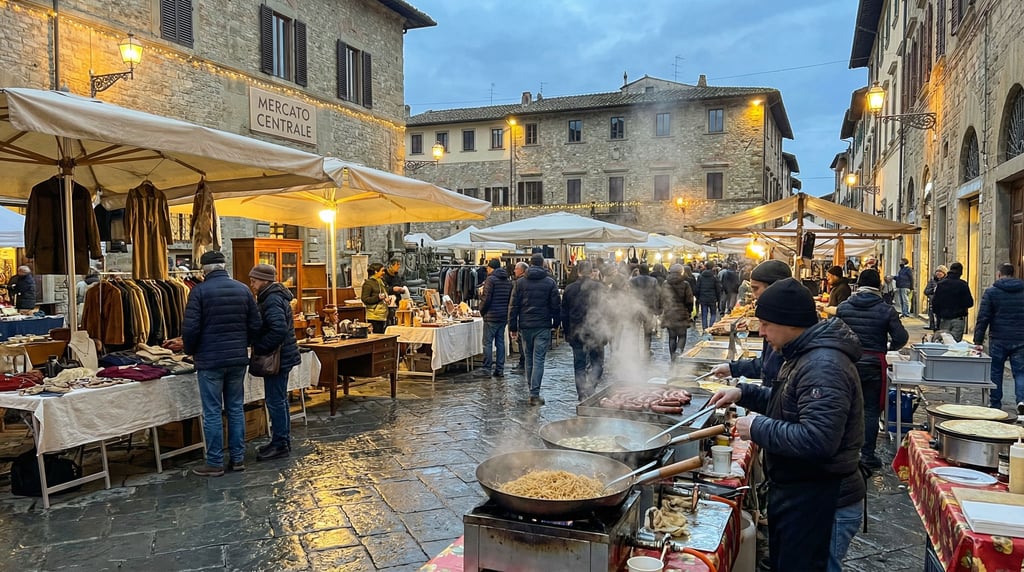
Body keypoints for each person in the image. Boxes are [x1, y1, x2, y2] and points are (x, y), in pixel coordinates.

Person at [708, 278, 864, 571]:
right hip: (802, 492)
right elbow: (789, 404)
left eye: (766, 324)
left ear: (790, 322)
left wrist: (756, 428)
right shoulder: (804, 354)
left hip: (823, 499)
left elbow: (818, 439)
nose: (762, 332)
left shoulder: (824, 365)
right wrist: (745, 392)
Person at [181, 250, 261, 477]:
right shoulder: (243, 289)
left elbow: (191, 328)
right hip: (237, 358)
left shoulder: (199, 292)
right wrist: (242, 343)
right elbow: (255, 324)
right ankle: (237, 459)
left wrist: (190, 350)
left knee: (213, 411)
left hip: (210, 360)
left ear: (203, 270)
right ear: (224, 266)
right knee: (235, 408)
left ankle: (215, 462)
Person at [836, 269, 909, 469]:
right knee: (870, 410)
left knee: (845, 406)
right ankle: (867, 454)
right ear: (878, 286)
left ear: (858, 285)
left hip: (847, 363)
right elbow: (901, 338)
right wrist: (889, 347)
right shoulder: (887, 310)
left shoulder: (843, 308)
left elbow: (834, 333)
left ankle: (842, 450)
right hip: (873, 364)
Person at [710, 259, 792, 388]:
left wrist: (745, 393)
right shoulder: (775, 318)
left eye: (756, 288)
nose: (753, 295)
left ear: (775, 287)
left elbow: (786, 396)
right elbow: (766, 365)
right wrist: (732, 369)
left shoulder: (786, 326)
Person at [249, 263, 301, 462]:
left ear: (264, 281)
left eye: (254, 280)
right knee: (278, 400)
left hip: (278, 358)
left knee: (276, 401)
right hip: (283, 356)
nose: (252, 284)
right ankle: (281, 441)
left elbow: (278, 328)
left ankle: (280, 444)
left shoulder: (271, 299)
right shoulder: (273, 296)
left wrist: (262, 347)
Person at [508, 253, 560, 406]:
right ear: (543, 264)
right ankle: (534, 393)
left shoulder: (520, 283)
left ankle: (532, 390)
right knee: (538, 360)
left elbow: (513, 307)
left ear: (530, 264)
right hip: (542, 325)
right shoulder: (550, 283)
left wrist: (513, 327)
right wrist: (556, 323)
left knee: (529, 359)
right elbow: (556, 306)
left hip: (526, 326)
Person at [973, 263, 1024, 411]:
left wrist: (978, 340)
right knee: (1020, 371)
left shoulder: (992, 292)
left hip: (998, 338)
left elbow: (983, 317)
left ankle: (995, 403)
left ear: (999, 274)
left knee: (995, 370)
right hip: (1020, 338)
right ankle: (1022, 400)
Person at [561, 260, 606, 400]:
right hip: (597, 331)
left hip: (576, 332)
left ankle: (581, 393)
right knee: (597, 363)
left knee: (579, 365)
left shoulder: (569, 289)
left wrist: (566, 332)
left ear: (579, 272)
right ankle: (591, 389)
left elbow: (564, 313)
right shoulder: (600, 288)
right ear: (591, 271)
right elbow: (608, 311)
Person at [479, 258, 513, 377]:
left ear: (491, 268)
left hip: (491, 316)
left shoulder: (490, 280)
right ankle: (500, 369)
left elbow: (486, 298)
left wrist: (482, 311)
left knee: (487, 343)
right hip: (503, 316)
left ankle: (487, 369)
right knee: (500, 342)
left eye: (488, 267)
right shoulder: (508, 281)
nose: (487, 269)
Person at [930, 261, 974, 342]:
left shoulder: (941, 284)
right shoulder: (962, 284)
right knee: (955, 344)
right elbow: (969, 302)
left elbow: (935, 303)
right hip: (958, 318)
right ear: (960, 272)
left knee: (944, 342)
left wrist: (938, 316)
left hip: (944, 319)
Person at [661, 263, 694, 361]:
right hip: (681, 313)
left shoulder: (665, 284)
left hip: (669, 313)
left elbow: (662, 298)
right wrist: (690, 310)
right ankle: (679, 351)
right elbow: (689, 300)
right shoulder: (685, 284)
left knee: (672, 337)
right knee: (682, 336)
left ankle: (672, 358)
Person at [628, 263, 661, 356]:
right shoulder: (653, 280)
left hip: (636, 307)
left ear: (639, 270)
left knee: (635, 330)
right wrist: (657, 308)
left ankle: (635, 350)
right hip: (649, 308)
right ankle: (647, 350)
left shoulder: (633, 280)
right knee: (648, 331)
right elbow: (657, 295)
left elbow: (629, 295)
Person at [509, 261, 529, 371]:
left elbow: (514, 305)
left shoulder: (519, 283)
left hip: (524, 319)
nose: (514, 271)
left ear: (521, 270)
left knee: (523, 343)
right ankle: (529, 365)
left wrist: (513, 327)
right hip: (540, 321)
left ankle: (523, 364)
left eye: (516, 269)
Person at [360, 262, 389, 334]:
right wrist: (378, 298)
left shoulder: (381, 282)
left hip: (382, 315)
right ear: (376, 271)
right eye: (382, 271)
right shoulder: (368, 283)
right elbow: (365, 299)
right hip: (374, 316)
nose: (384, 273)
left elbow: (384, 294)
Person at [695, 266, 722, 331]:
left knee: (704, 314)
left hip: (703, 298)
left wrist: (698, 298)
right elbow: (718, 289)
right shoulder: (714, 277)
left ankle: (705, 328)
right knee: (713, 313)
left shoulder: (700, 277)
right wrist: (718, 299)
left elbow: (697, 288)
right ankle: (711, 327)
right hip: (712, 298)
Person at [923, 265, 948, 330]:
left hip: (943, 303)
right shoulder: (932, 281)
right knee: (932, 315)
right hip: (933, 302)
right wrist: (933, 291)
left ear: (944, 273)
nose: (938, 273)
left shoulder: (947, 281)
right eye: (937, 271)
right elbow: (926, 291)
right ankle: (932, 326)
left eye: (941, 272)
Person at [383, 258, 406, 326]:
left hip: (397, 301)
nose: (399, 267)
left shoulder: (397, 276)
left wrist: (402, 290)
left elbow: (401, 284)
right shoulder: (384, 276)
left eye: (399, 265)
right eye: (397, 265)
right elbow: (383, 289)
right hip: (388, 304)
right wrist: (392, 289)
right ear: (391, 266)